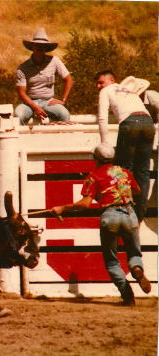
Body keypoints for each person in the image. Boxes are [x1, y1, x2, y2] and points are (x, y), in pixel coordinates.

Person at [51, 143, 151, 306]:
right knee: (134, 254)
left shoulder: (93, 176)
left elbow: (85, 204)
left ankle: (128, 296)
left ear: (96, 159)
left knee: (112, 261)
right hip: (129, 213)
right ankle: (136, 269)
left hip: (109, 216)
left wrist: (62, 208)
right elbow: (137, 190)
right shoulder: (124, 172)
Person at [95, 70, 155, 223]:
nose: (98, 86)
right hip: (148, 122)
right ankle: (140, 215)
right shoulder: (130, 91)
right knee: (142, 171)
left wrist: (104, 143)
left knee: (124, 170)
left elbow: (102, 117)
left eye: (101, 82)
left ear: (111, 80)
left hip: (129, 124)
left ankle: (125, 212)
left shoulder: (106, 91)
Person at [15, 28, 73, 125]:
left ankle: (62, 139)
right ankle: (20, 139)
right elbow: (21, 92)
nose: (40, 47)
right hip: (29, 103)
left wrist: (63, 100)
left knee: (64, 114)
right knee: (18, 115)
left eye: (43, 45)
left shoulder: (54, 61)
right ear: (32, 46)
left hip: (48, 101)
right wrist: (35, 107)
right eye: (37, 45)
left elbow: (69, 80)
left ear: (46, 48)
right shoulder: (23, 68)